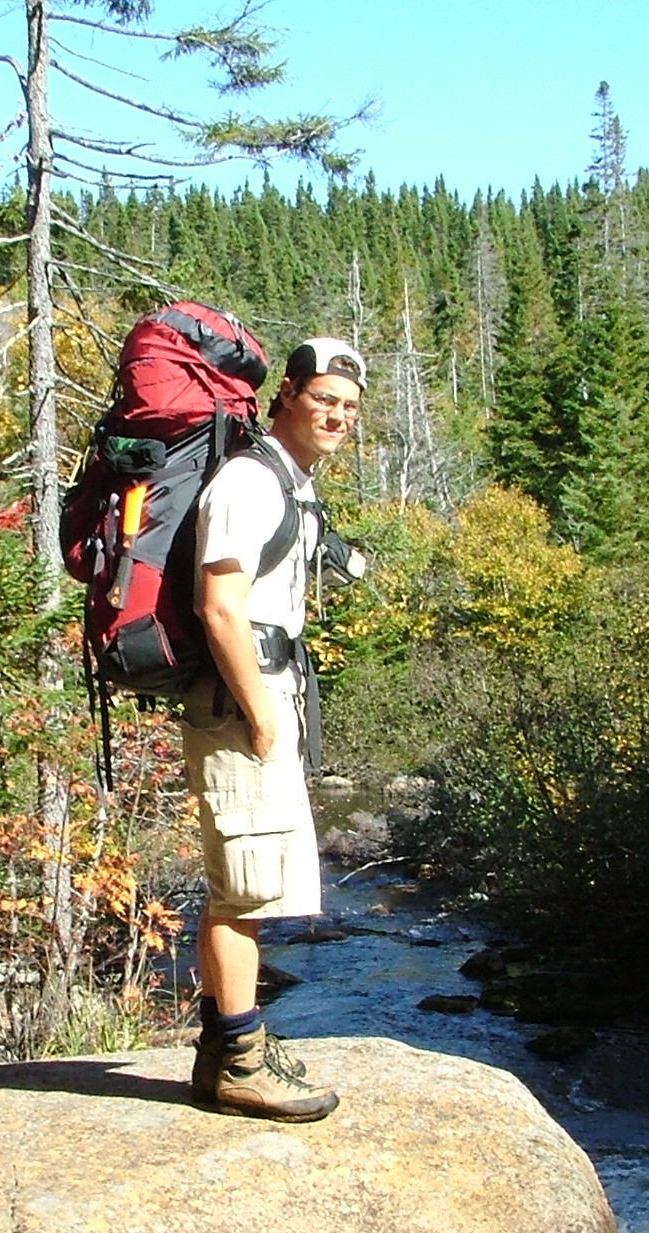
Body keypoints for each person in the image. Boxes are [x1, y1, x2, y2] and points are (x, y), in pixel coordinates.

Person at [182, 337, 366, 1122]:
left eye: (350, 407)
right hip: (239, 706)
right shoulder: (250, 484)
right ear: (285, 395)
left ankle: (223, 1049)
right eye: (324, 398)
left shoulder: (292, 484)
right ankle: (243, 1062)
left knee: (244, 887)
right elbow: (217, 605)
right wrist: (260, 715)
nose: (337, 416)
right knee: (245, 894)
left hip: (263, 699)